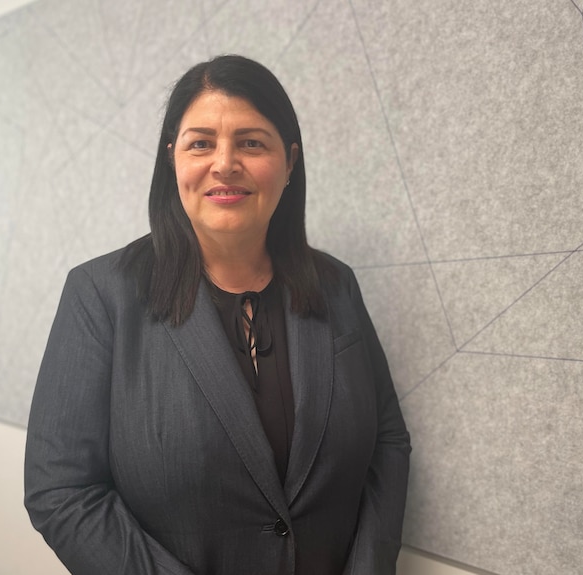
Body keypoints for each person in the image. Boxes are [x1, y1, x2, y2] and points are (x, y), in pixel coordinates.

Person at [24, 54, 410, 575]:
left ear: (290, 162)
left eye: (251, 142)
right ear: (173, 160)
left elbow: (387, 441)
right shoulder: (102, 294)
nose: (224, 163)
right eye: (201, 143)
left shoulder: (336, 286)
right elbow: (61, 490)